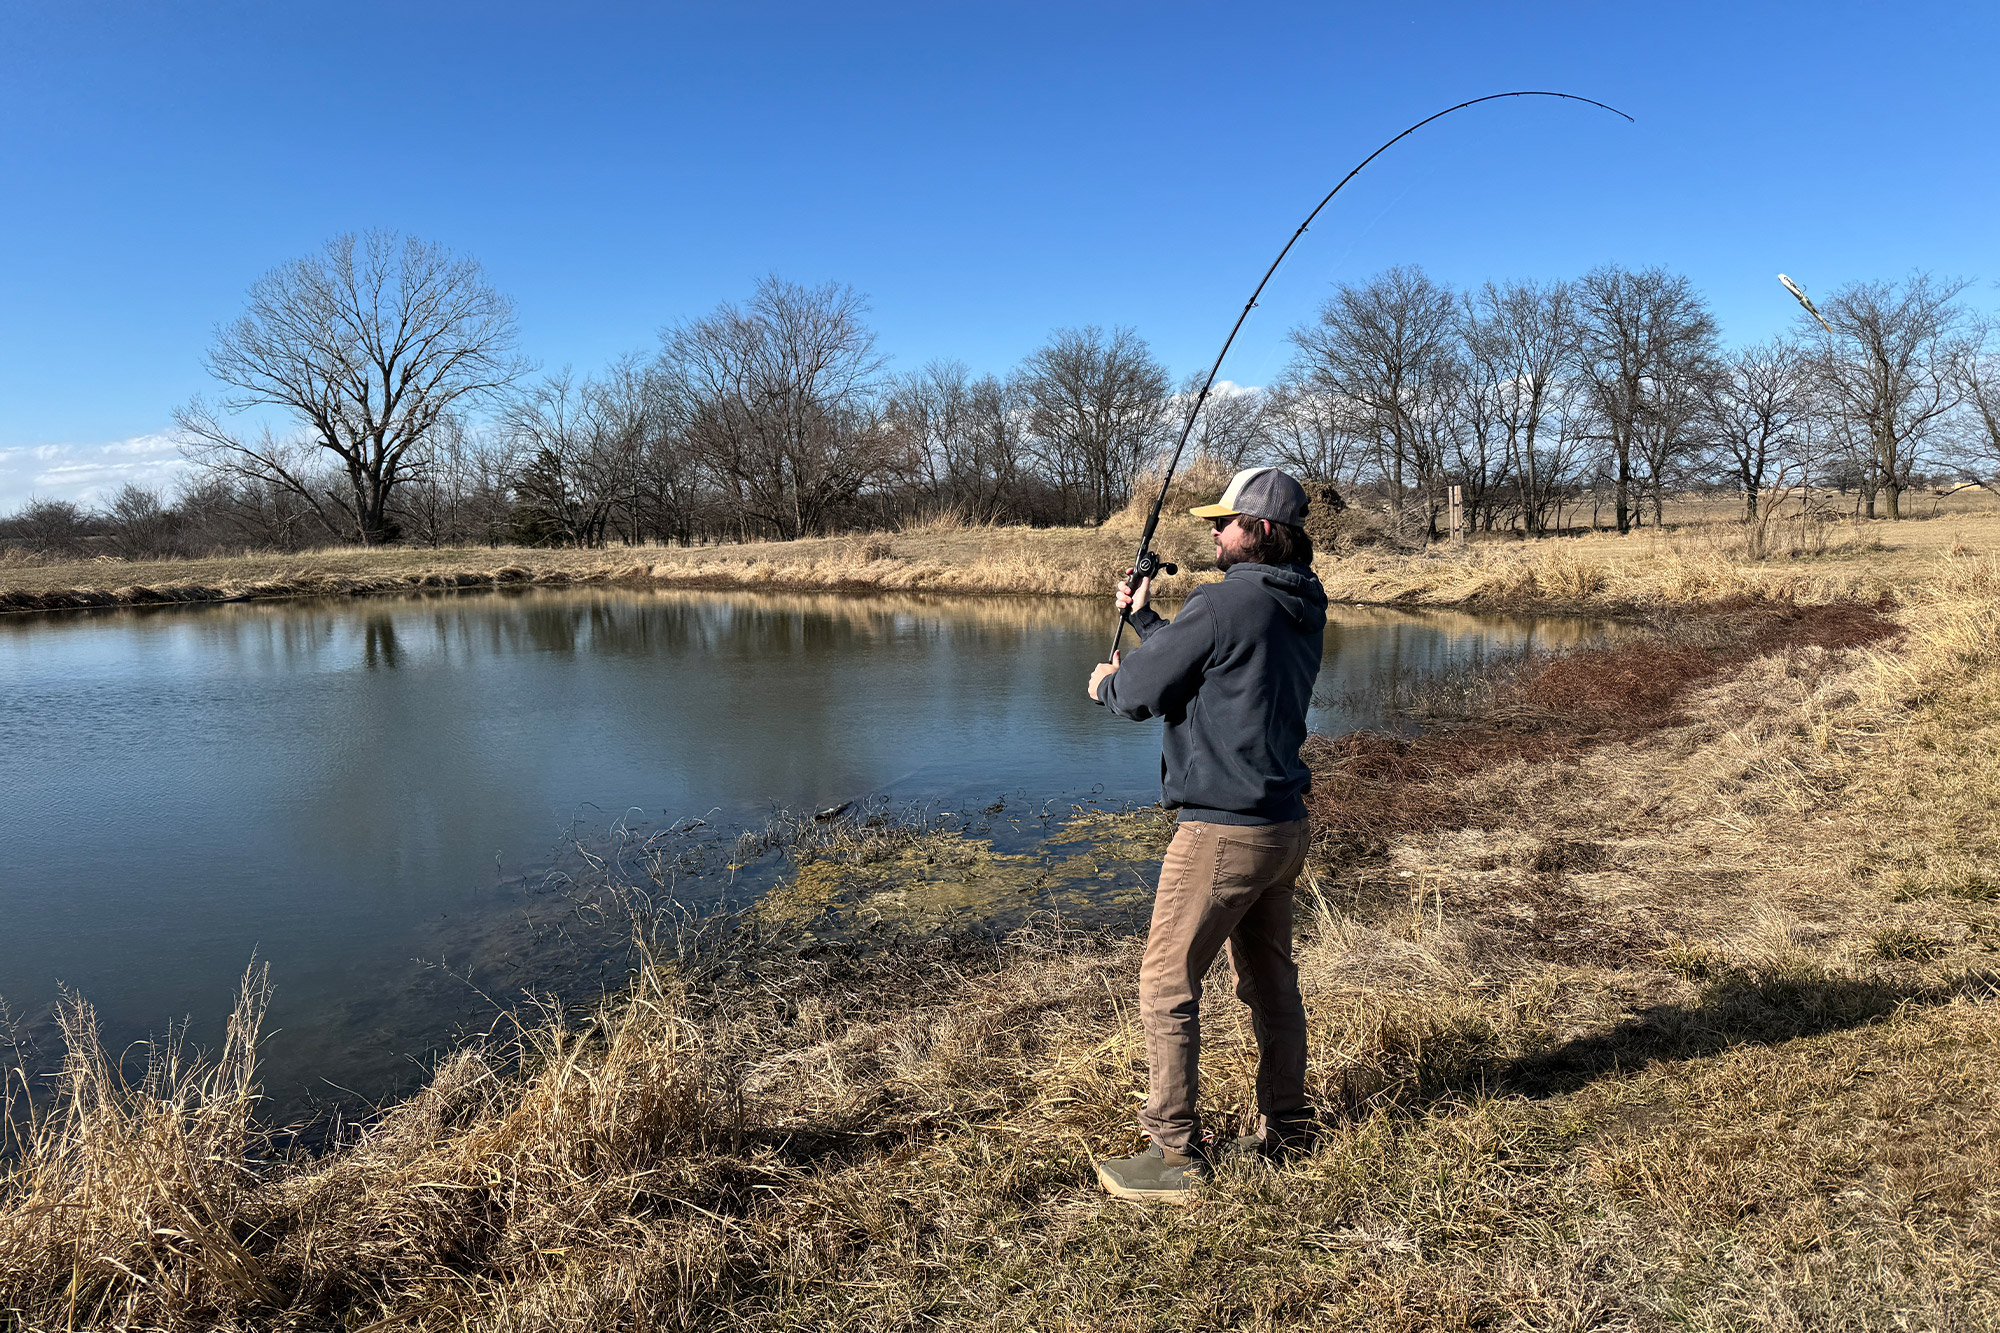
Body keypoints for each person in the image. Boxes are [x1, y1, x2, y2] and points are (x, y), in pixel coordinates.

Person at [1085, 465, 1328, 1204]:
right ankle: (1291, 1128)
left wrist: (1107, 681)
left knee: (1165, 982)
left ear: (1258, 531)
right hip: (1281, 827)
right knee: (1269, 984)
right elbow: (1217, 669)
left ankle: (1172, 1155)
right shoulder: (1301, 602)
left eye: (1223, 521)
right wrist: (1154, 624)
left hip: (1222, 832)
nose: (1212, 532)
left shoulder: (1224, 603)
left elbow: (1139, 693)